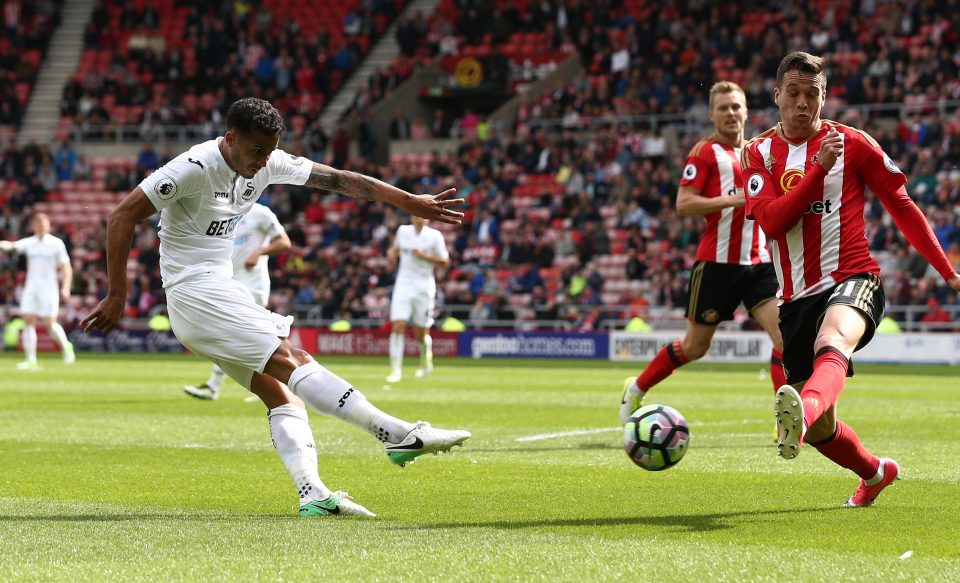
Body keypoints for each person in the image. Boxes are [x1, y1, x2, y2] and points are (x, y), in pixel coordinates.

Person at [80, 98, 471, 518]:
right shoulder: (193, 167)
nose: (263, 161)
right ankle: (395, 434)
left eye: (269, 151)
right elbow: (121, 216)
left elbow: (341, 180)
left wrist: (408, 200)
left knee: (282, 395)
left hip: (208, 298)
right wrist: (117, 294)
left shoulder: (267, 162)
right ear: (230, 139)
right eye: (255, 151)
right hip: (195, 292)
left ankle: (313, 494)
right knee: (294, 358)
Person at [742, 52, 960, 507]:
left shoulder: (854, 143)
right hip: (795, 298)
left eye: (813, 94)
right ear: (777, 95)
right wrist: (819, 169)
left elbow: (902, 206)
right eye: (795, 93)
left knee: (833, 338)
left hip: (853, 276)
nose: (804, 104)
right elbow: (774, 224)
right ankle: (876, 471)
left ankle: (801, 414)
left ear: (824, 96)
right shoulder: (757, 154)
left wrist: (948, 271)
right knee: (825, 433)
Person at [619, 81, 785, 425]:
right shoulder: (704, 152)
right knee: (695, 347)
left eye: (736, 106)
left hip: (758, 263)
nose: (730, 113)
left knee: (785, 338)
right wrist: (735, 199)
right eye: (723, 108)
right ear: (711, 114)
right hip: (717, 264)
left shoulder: (760, 151)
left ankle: (784, 421)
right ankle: (636, 388)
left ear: (746, 111)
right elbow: (684, 203)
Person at [183, 201, 292, 400]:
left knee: (240, 333)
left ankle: (215, 385)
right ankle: (279, 382)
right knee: (247, 335)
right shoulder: (225, 213)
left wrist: (258, 253)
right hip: (229, 282)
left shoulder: (261, 213)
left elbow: (284, 242)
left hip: (253, 283)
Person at [0, 213, 76, 369]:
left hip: (49, 288)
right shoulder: (29, 243)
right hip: (31, 288)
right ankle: (31, 359)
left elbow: (66, 267)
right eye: (38, 224)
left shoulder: (56, 243)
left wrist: (66, 287)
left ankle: (67, 347)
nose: (41, 226)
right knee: (28, 320)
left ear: (48, 225)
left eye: (43, 224)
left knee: (49, 323)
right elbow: (11, 246)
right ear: (33, 226)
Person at [385, 215, 449, 383]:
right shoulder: (402, 231)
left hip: (424, 287)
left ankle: (426, 362)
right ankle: (395, 370)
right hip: (403, 285)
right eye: (416, 215)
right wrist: (391, 255)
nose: (419, 218)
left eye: (422, 216)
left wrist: (424, 256)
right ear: (412, 217)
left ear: (427, 219)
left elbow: (444, 261)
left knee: (421, 333)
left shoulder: (435, 236)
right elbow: (395, 248)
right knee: (398, 326)